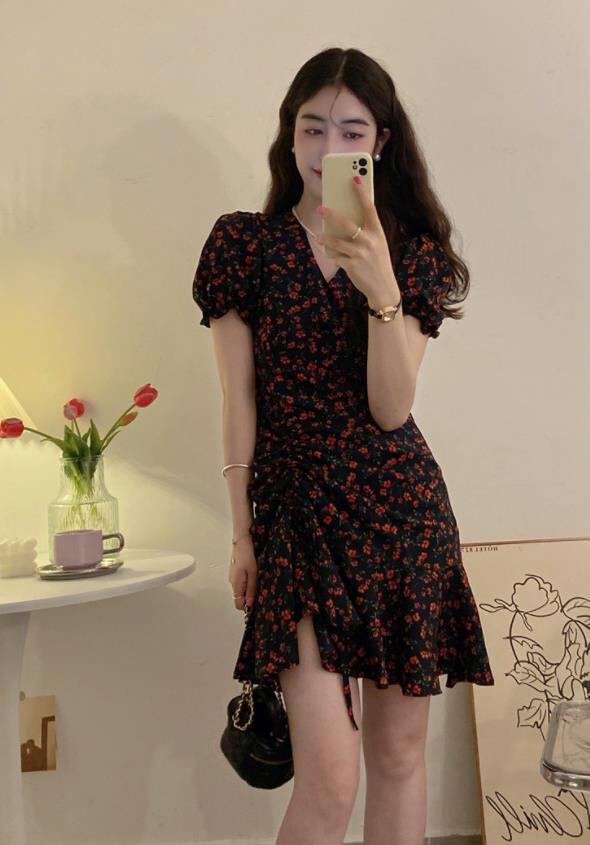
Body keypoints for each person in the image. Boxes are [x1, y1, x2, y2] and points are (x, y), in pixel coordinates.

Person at [192, 46, 494, 845]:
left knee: (398, 757)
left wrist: (383, 290)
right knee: (329, 776)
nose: (329, 146)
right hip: (297, 519)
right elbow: (239, 398)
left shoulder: (411, 254)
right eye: (312, 127)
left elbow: (392, 411)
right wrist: (242, 531)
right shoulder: (243, 246)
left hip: (402, 514)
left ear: (381, 142)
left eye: (351, 131)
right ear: (289, 134)